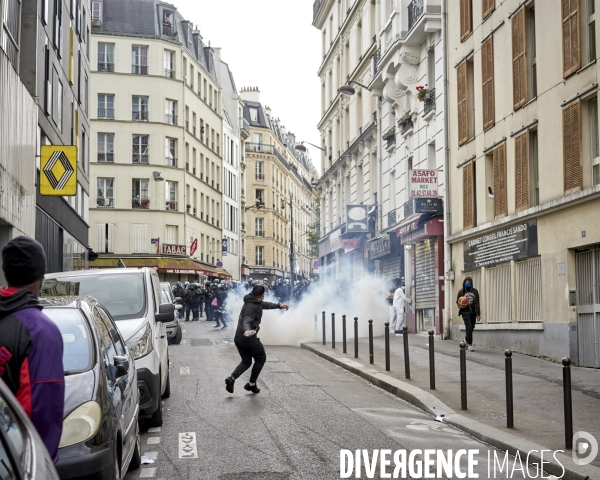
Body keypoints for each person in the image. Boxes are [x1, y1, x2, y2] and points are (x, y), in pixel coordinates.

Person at [0, 236, 65, 463]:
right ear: (41, 276)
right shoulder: (41, 332)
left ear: (6, 273)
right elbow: (43, 410)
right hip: (16, 461)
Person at [225, 285, 288, 394]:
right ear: (262, 295)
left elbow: (263, 304)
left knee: (246, 361)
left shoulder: (252, 301)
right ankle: (251, 384)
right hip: (248, 338)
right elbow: (247, 320)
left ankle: (231, 378)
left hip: (239, 338)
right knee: (261, 358)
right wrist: (247, 330)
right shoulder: (251, 307)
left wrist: (278, 305)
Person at [456, 276, 480, 352]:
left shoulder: (475, 291)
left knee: (472, 326)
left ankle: (466, 339)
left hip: (473, 310)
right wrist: (461, 306)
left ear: (471, 283)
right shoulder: (461, 292)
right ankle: (470, 344)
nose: (468, 283)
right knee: (468, 326)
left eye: (469, 282)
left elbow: (477, 303)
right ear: (464, 283)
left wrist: (478, 314)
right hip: (465, 311)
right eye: (466, 282)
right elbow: (458, 302)